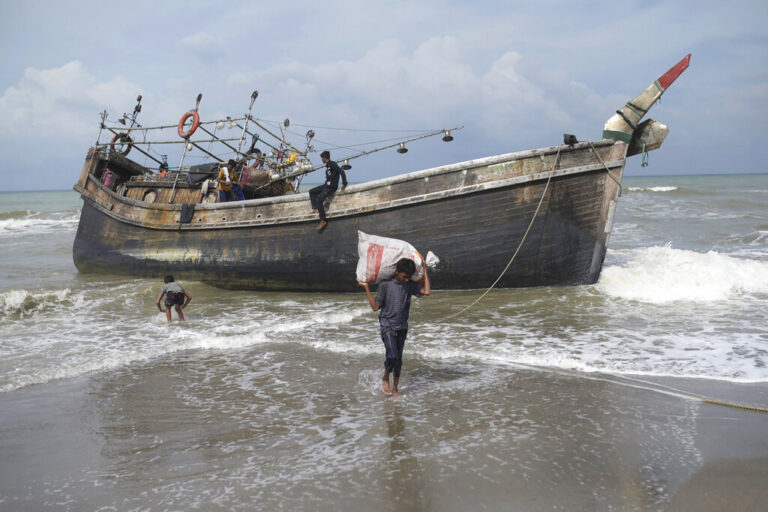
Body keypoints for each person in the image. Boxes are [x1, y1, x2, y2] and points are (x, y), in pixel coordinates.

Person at [359, 258, 431, 397]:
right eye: (404, 276)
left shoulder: (409, 286)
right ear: (397, 271)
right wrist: (366, 288)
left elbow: (426, 292)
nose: (406, 280)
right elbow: (375, 307)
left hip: (402, 327)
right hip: (387, 325)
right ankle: (386, 376)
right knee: (392, 355)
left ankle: (395, 389)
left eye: (408, 277)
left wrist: (426, 270)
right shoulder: (385, 285)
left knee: (399, 359)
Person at [309, 150, 347, 230]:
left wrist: (344, 183)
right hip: (326, 185)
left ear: (324, 158)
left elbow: (341, 171)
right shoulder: (328, 166)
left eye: (322, 158)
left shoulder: (332, 164)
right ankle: (315, 208)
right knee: (311, 191)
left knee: (319, 199)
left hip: (331, 187)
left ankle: (323, 220)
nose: (321, 160)